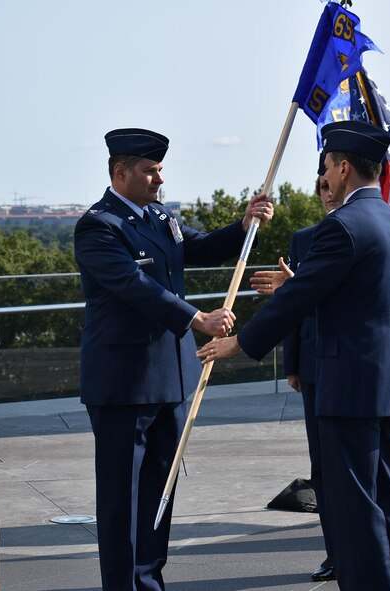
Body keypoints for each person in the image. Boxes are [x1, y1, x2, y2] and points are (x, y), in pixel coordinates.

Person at [198, 120, 390, 591]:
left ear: (342, 168)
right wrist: (294, 286)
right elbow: (353, 294)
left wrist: (239, 342)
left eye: (326, 167)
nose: (325, 175)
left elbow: (297, 303)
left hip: (349, 388)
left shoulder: (343, 225)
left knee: (356, 511)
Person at [74, 127, 273, 591]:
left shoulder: (160, 217)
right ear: (120, 172)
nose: (159, 179)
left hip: (172, 380)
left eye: (160, 169)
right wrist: (197, 318)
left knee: (159, 496)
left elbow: (197, 248)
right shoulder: (99, 226)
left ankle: (149, 581)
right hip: (123, 385)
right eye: (150, 170)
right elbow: (132, 285)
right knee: (122, 500)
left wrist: (244, 227)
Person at [249, 158, 339, 582]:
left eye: (329, 182)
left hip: (348, 367)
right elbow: (290, 309)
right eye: (319, 185)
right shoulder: (303, 239)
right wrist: (293, 364)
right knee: (320, 466)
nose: (325, 190)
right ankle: (334, 551)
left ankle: (360, 552)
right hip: (314, 367)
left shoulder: (358, 231)